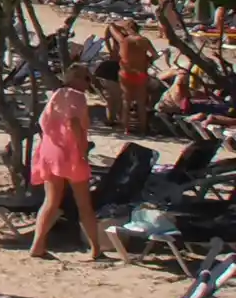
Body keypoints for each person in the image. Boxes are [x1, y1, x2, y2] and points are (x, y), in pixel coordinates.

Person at [30, 64, 106, 260]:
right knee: (83, 202)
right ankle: (96, 248)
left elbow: (43, 123)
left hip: (50, 148)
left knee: (51, 200)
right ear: (77, 78)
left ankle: (37, 244)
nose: (88, 84)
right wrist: (82, 149)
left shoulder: (56, 95)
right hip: (69, 152)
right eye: (86, 79)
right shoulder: (76, 96)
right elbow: (74, 123)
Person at [116, 22, 157, 135]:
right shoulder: (144, 40)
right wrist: (147, 59)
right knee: (141, 103)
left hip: (126, 73)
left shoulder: (125, 41)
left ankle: (126, 129)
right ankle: (143, 129)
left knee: (126, 102)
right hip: (140, 73)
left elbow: (121, 55)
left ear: (129, 29)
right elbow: (155, 55)